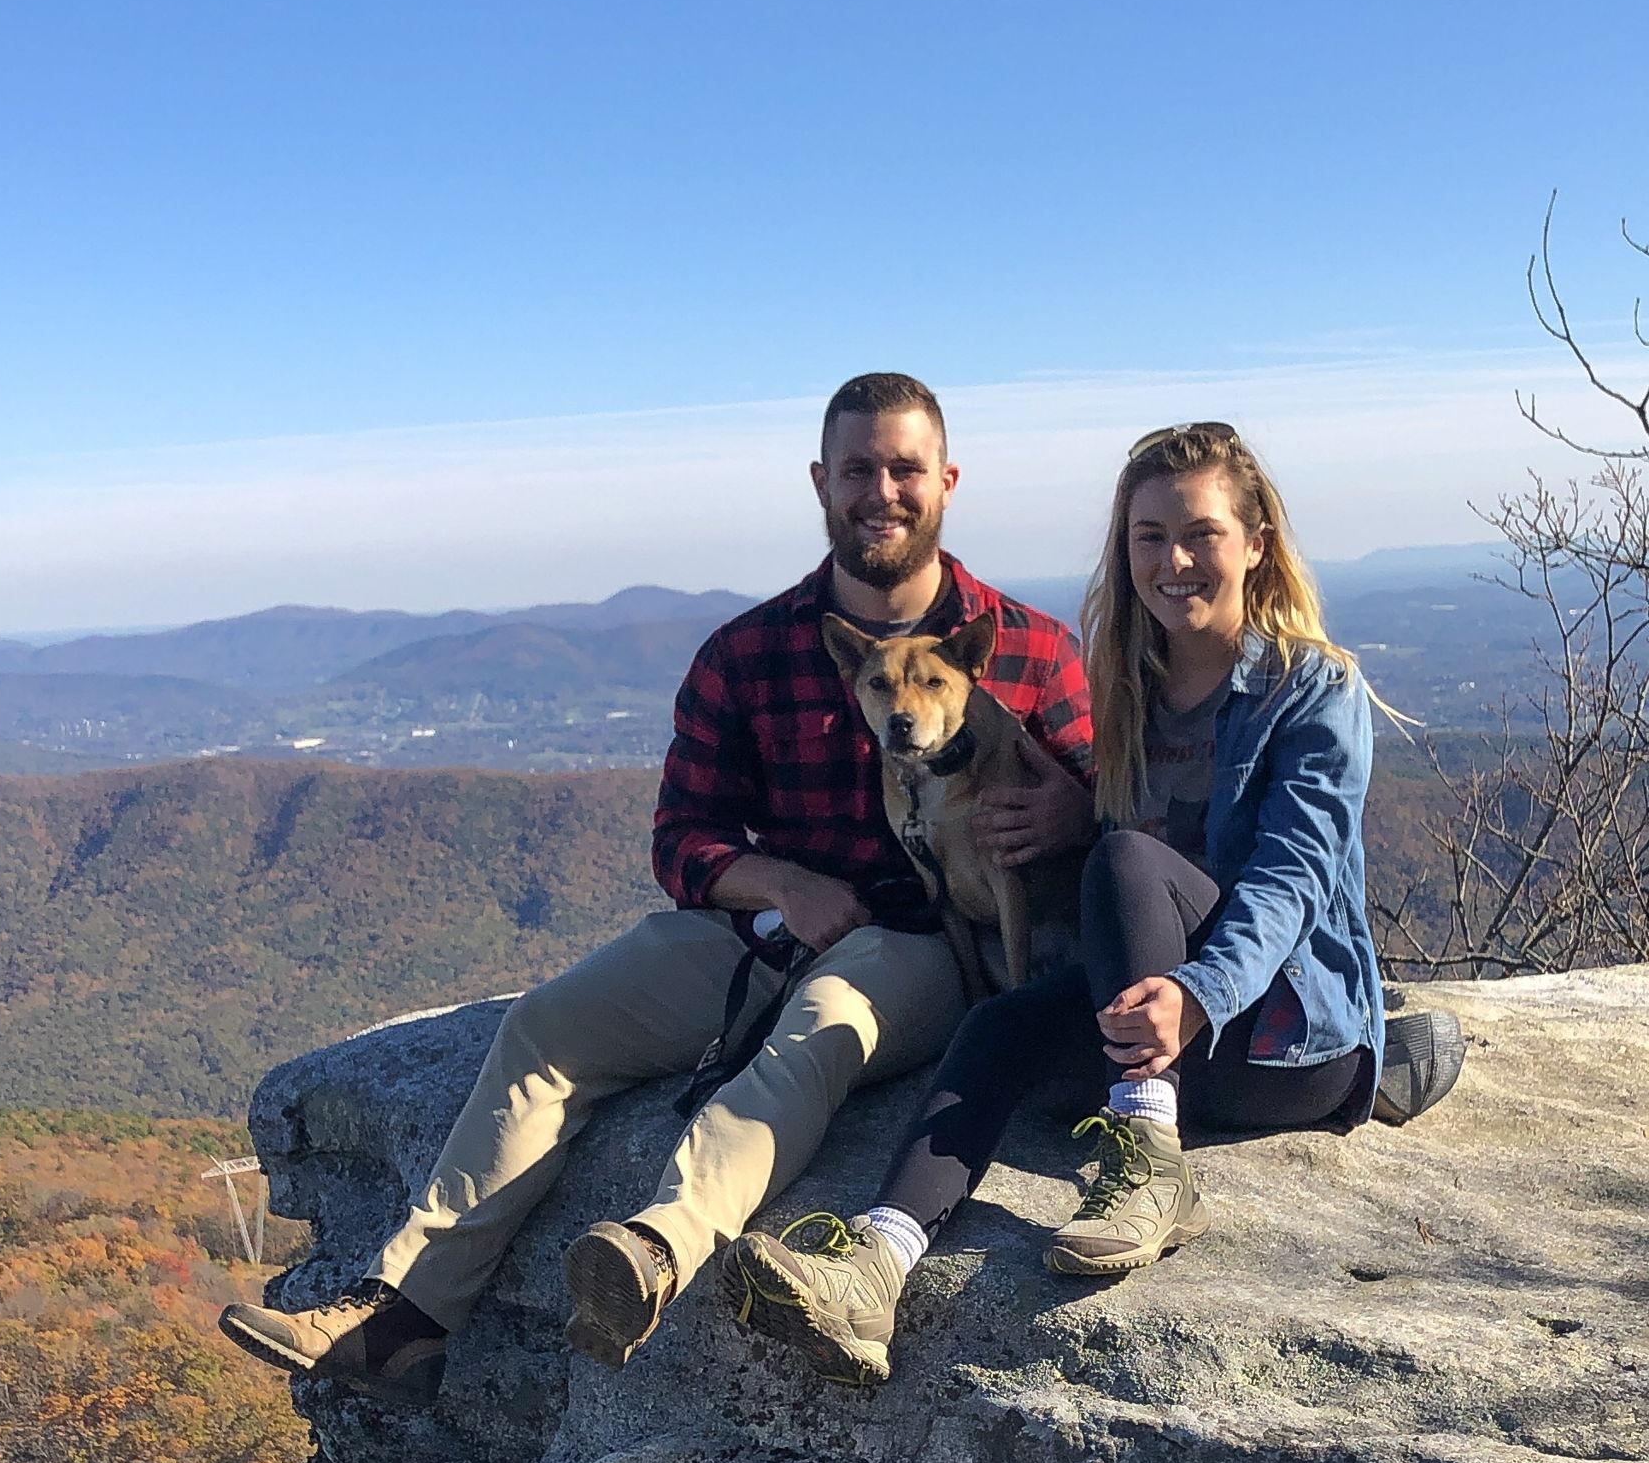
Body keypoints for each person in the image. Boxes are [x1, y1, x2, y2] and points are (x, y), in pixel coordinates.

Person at [218, 372, 1095, 1403]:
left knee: (818, 1030)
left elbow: (1116, 809)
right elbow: (683, 838)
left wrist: (1072, 812)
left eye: (905, 468)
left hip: (927, 940)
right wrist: (781, 883)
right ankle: (402, 1318)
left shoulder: (1028, 647)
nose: (882, 492)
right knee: (549, 1026)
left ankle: (654, 1248)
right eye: (858, 468)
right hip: (766, 923)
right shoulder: (748, 654)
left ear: (946, 480)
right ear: (821, 481)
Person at [722, 419, 1462, 1386]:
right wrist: (1075, 817)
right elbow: (1109, 866)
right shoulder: (1127, 691)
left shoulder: (1312, 689)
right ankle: (876, 1264)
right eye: (1149, 537)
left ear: (1255, 544)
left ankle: (1150, 1161)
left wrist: (1197, 992)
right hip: (1156, 1027)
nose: (1173, 560)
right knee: (996, 1024)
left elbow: (1290, 878)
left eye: (1200, 533)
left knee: (1124, 860)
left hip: (1280, 1041)